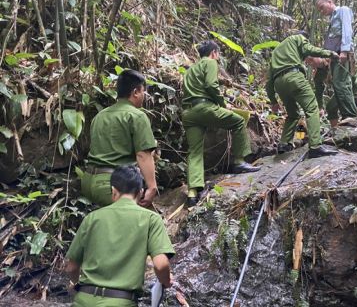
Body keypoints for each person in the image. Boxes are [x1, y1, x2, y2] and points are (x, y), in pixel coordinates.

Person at [65, 165, 175, 307]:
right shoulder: (151, 219)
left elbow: (71, 268)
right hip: (121, 302)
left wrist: (76, 284)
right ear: (141, 192)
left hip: (84, 300)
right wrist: (166, 281)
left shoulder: (92, 218)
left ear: (113, 191)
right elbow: (161, 265)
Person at [182, 40, 260, 207]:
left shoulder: (190, 70)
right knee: (238, 122)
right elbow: (211, 85)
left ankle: (192, 193)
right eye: (218, 54)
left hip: (189, 112)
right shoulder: (210, 63)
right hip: (205, 107)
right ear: (214, 53)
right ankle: (239, 162)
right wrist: (221, 103)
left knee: (195, 151)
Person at [82, 69, 158, 207]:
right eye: (142, 92)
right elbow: (143, 155)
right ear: (135, 92)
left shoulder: (100, 116)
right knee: (147, 222)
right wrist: (152, 187)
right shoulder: (137, 116)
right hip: (113, 185)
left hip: (88, 182)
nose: (144, 96)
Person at [266, 33, 338, 158]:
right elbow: (308, 49)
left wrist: (273, 101)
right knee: (311, 108)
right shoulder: (297, 37)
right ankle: (315, 146)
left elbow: (268, 81)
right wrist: (329, 53)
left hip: (279, 83)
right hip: (294, 77)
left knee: (293, 115)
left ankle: (284, 144)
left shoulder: (277, 51)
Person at [315, 0, 357, 128]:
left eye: (322, 8)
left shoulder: (342, 10)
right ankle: (346, 118)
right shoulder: (332, 19)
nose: (322, 12)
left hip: (341, 54)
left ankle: (350, 117)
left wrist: (344, 50)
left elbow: (347, 30)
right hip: (334, 56)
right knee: (337, 84)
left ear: (330, 2)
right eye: (320, 11)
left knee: (341, 83)